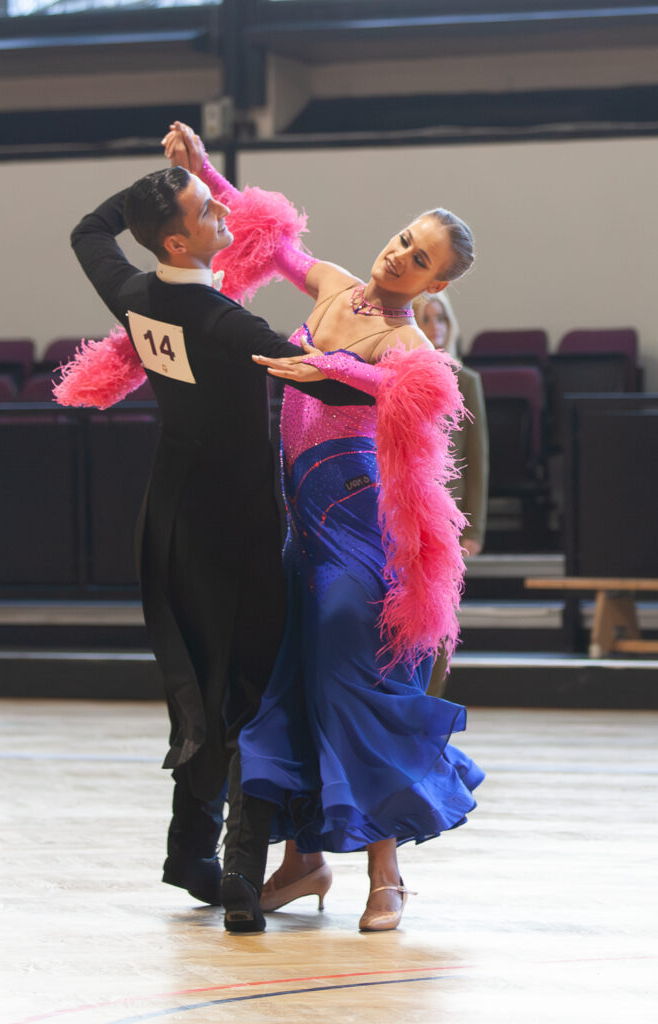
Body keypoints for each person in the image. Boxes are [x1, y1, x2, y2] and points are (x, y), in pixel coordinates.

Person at [163, 123, 484, 933]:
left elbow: (390, 392)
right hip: (298, 530)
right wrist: (207, 172)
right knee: (287, 684)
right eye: (404, 239)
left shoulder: (415, 353)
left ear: (435, 284)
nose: (399, 256)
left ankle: (388, 872)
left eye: (420, 259)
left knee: (356, 684)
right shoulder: (335, 285)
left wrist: (329, 365)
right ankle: (302, 861)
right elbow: (270, 238)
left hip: (357, 535)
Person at [59, 147, 372, 933]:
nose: (225, 217)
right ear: (176, 243)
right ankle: (240, 874)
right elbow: (322, 376)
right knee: (252, 692)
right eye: (207, 211)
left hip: (168, 518)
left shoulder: (133, 292)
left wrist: (151, 194)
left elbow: (87, 231)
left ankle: (188, 853)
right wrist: (399, 370)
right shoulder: (226, 323)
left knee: (197, 679)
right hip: (235, 527)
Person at [413, 292, 489, 698]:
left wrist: (472, 527)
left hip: (447, 518)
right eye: (425, 318)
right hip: (403, 511)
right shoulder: (395, 376)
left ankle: (432, 704)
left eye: (440, 318)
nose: (435, 327)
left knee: (440, 616)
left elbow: (477, 460)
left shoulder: (467, 381)